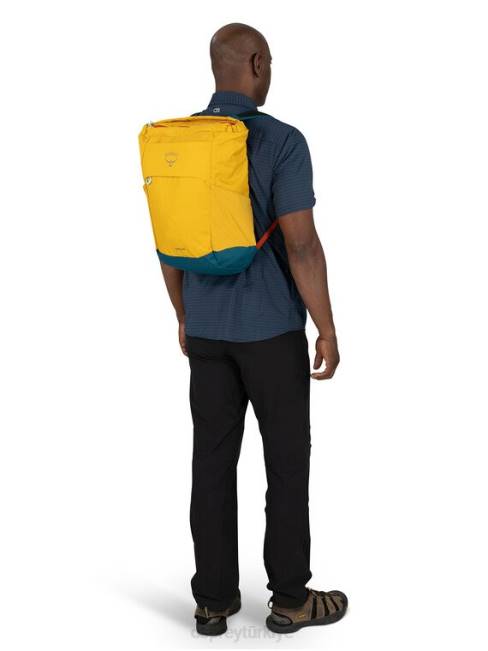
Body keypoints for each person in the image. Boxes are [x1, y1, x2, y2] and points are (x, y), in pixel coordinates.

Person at [159, 22, 348, 636]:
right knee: (286, 464)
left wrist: (185, 315)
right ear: (258, 63)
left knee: (211, 463)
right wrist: (325, 326)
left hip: (207, 334)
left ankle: (212, 602)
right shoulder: (281, 141)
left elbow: (170, 245)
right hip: (270, 334)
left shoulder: (180, 144)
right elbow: (302, 244)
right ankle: (291, 600)